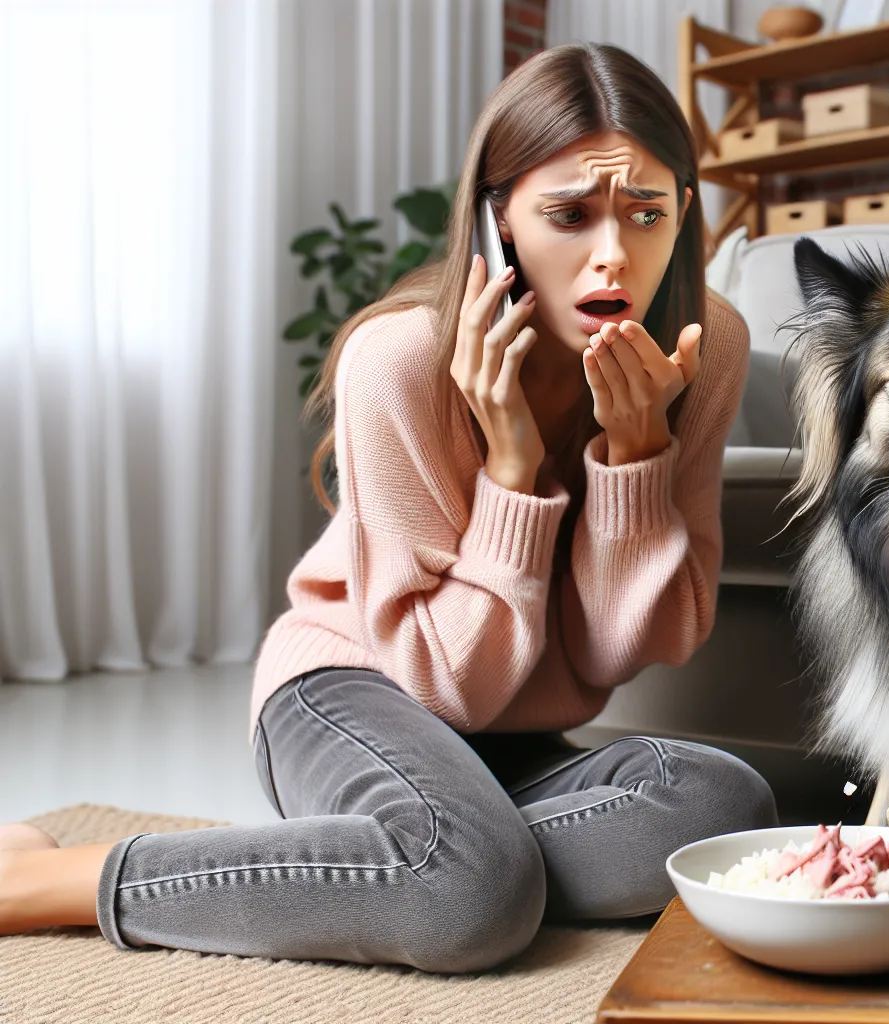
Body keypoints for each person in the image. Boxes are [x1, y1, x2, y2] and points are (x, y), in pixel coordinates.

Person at [0, 43, 777, 972]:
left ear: (685, 214)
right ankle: (46, 877)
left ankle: (423, 854)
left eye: (647, 214)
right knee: (470, 898)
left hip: (512, 740)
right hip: (353, 690)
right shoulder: (399, 360)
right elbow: (448, 684)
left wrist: (634, 453)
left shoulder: (704, 347)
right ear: (499, 227)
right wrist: (513, 471)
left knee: (725, 810)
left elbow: (625, 650)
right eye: (568, 215)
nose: (614, 254)